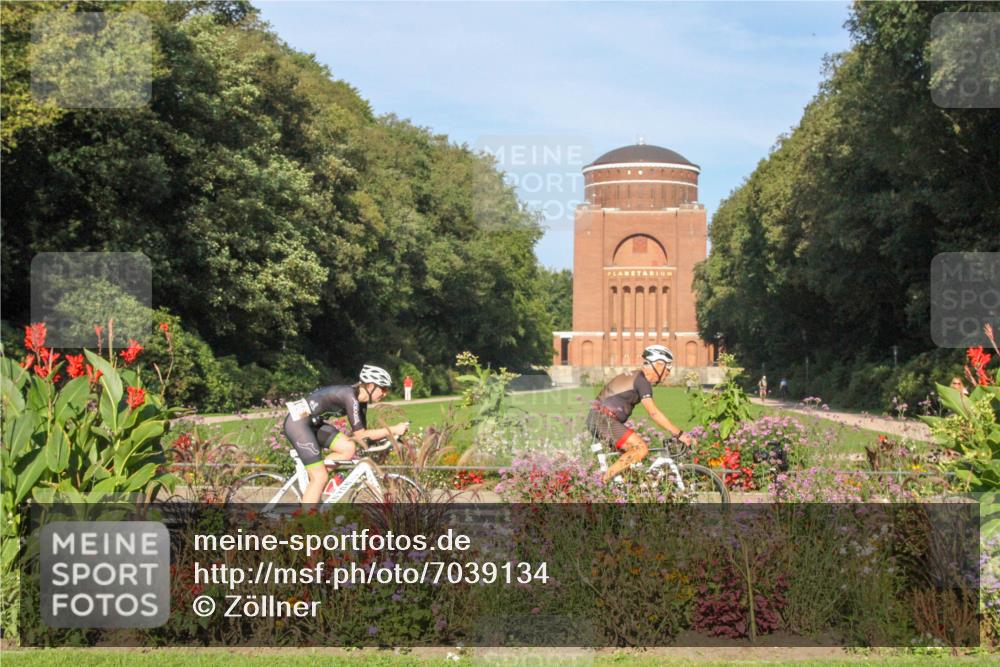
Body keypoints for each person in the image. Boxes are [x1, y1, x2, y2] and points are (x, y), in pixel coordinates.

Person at [283, 365, 409, 505]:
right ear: (371, 386)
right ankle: (303, 523)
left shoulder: (361, 403)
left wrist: (388, 440)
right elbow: (361, 435)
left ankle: (313, 487)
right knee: (319, 477)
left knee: (348, 447)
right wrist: (393, 430)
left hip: (313, 424)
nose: (385, 393)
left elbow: (363, 437)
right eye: (383, 388)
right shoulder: (350, 397)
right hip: (297, 424)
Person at [586, 345, 693, 484]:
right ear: (658, 364)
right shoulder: (642, 381)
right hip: (602, 419)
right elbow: (653, 413)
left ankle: (622, 494)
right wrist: (679, 434)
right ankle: (601, 482)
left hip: (598, 418)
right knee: (640, 448)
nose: (668, 373)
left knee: (630, 466)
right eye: (668, 368)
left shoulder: (637, 376)